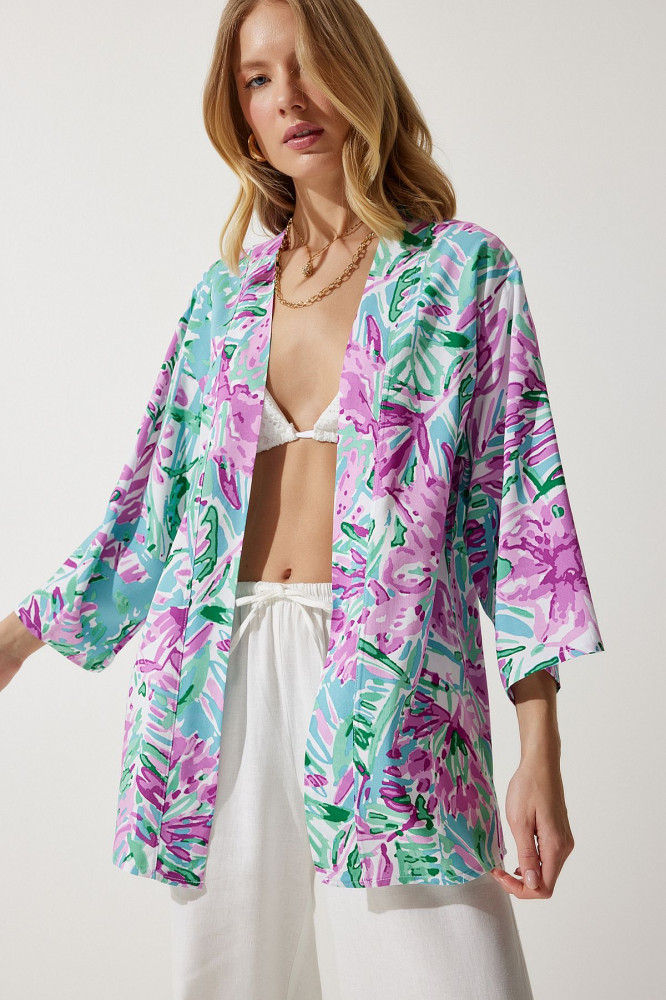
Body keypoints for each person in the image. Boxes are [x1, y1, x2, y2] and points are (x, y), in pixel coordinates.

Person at [0, 1, 605, 998]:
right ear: (241, 117)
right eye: (258, 79)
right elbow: (149, 514)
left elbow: (522, 520)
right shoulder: (222, 301)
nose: (290, 98)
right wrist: (17, 639)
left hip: (396, 687)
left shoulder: (462, 272)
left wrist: (540, 748)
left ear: (359, 71)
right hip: (214, 683)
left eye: (310, 63)